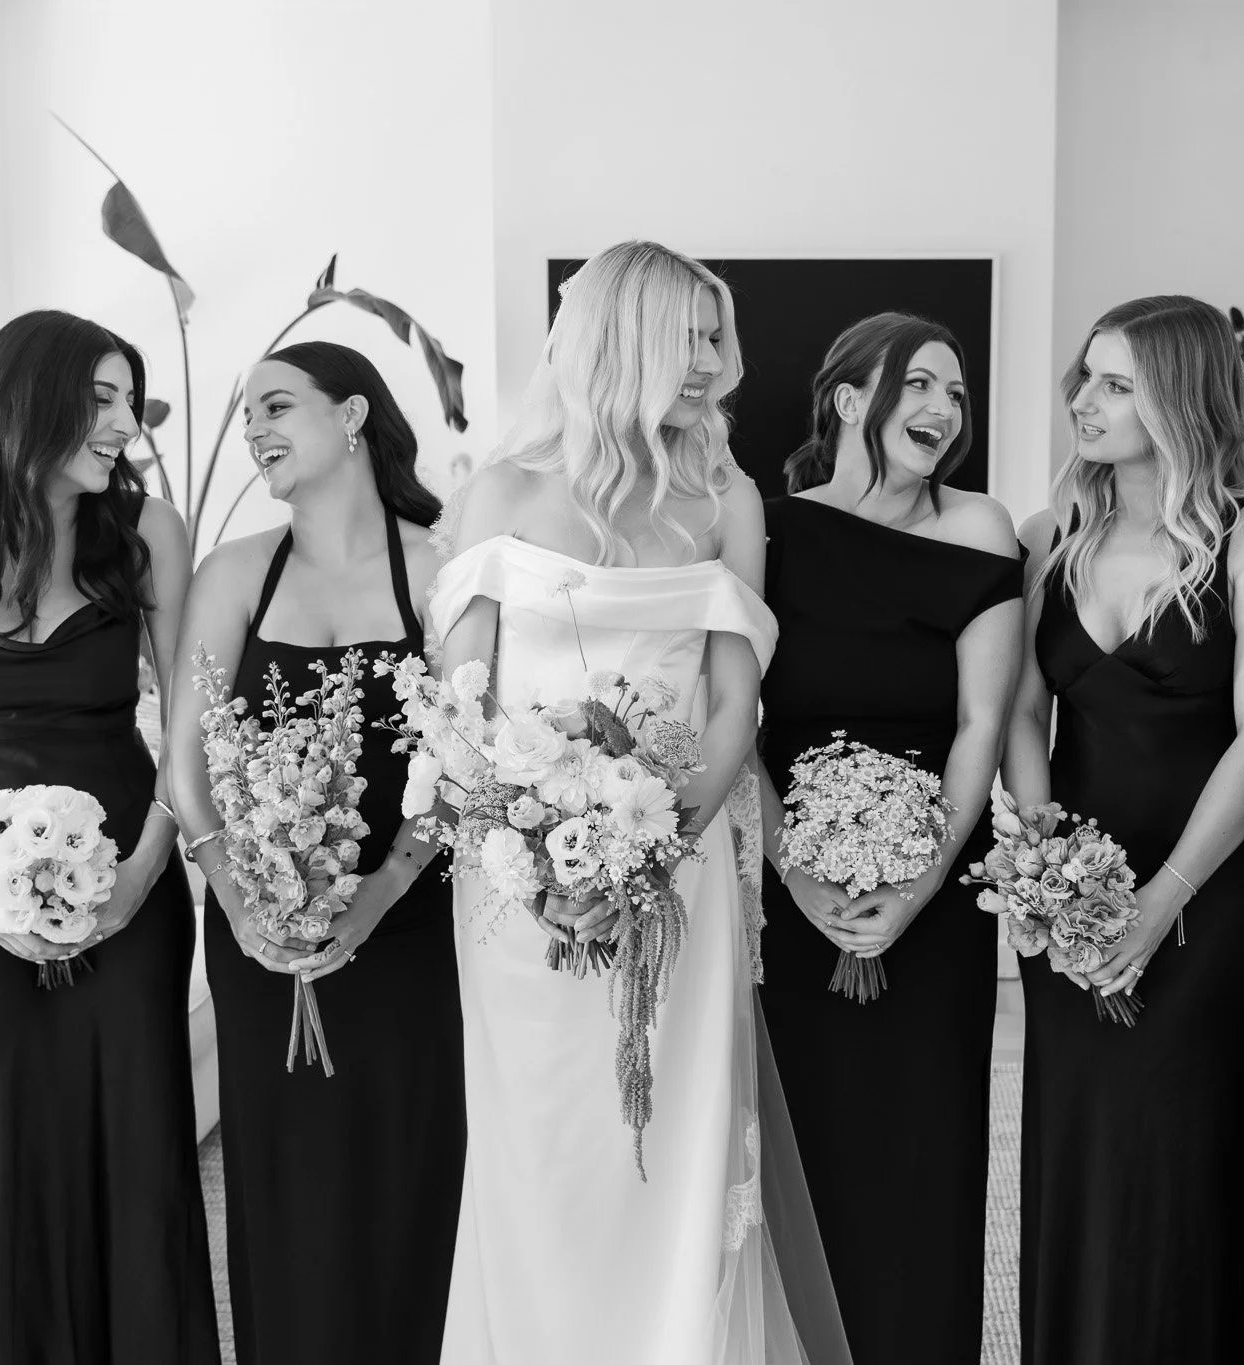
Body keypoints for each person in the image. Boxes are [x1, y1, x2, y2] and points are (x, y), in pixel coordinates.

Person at [431, 239, 848, 1365]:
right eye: (696, 337)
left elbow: (730, 708)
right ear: (630, 341)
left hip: (679, 872)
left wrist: (649, 859)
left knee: (670, 1140)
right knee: (544, 1147)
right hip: (518, 892)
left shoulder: (727, 498)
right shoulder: (502, 493)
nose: (720, 362)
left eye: (721, 336)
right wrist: (534, 850)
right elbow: (457, 710)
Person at [0, 309, 216, 1363]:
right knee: (4, 1155)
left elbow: (191, 722)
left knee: (140, 1147)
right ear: (31, 402)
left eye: (126, 399)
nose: (122, 425)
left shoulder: (146, 532)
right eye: (99, 400)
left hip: (134, 893)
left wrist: (148, 869)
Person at [1003, 295, 1244, 1362]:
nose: (1084, 402)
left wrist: (1159, 899)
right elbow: (1018, 720)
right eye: (1083, 378)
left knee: (1184, 1166)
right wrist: (1049, 873)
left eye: (1117, 383)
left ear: (1177, 396)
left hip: (1210, 904)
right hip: (1073, 903)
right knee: (1080, 1153)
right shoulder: (1048, 536)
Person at [167, 341, 464, 1364]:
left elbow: (467, 765)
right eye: (249, 416)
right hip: (258, 934)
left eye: (276, 406)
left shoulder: (441, 568)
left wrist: (380, 890)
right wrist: (242, 903)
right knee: (286, 1181)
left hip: (415, 927)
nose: (254, 430)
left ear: (351, 417)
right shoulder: (233, 574)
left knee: (413, 1171)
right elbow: (183, 772)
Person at [757, 311, 1022, 1365]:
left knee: (926, 1157)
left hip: (937, 897)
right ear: (848, 399)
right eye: (919, 384)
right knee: (808, 1155)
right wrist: (797, 870)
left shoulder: (982, 529)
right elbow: (739, 725)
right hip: (793, 891)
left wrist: (914, 886)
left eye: (955, 395)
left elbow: (980, 726)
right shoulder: (767, 529)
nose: (942, 411)